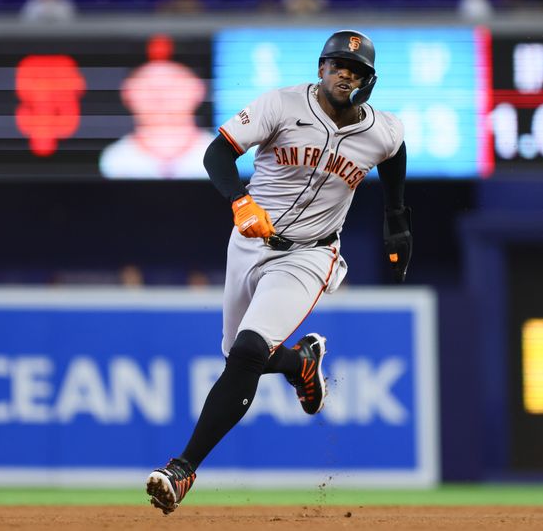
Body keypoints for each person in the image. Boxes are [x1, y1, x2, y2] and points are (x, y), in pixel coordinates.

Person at [145, 30, 412, 514]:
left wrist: (397, 221)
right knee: (238, 356)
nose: (344, 74)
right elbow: (218, 153)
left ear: (368, 82)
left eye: (355, 70)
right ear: (320, 69)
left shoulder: (382, 129)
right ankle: (299, 363)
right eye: (336, 65)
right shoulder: (280, 105)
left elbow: (395, 155)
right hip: (250, 241)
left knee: (247, 352)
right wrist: (239, 199)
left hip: (311, 255)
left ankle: (182, 469)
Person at [99, 34, 215, 179]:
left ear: (198, 88)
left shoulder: (226, 158)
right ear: (127, 92)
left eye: (172, 83)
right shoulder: (114, 161)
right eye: (148, 84)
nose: (160, 96)